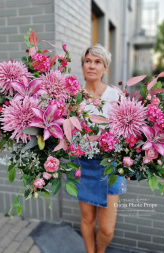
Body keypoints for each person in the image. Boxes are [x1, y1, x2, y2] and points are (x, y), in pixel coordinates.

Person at [66, 44, 127, 253]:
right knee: (88, 218)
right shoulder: (72, 98)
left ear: (105, 68)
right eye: (88, 61)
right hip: (82, 164)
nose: (92, 66)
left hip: (110, 166)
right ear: (82, 66)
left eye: (97, 62)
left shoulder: (116, 96)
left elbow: (127, 130)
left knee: (107, 229)